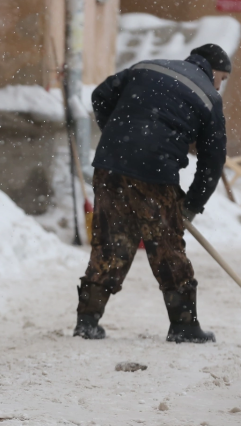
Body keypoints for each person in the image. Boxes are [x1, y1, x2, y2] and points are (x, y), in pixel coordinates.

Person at [74, 43, 231, 343]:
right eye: (222, 78)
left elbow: (100, 95)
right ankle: (184, 325)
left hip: (110, 164)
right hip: (155, 171)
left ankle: (87, 321)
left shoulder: (148, 67)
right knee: (167, 247)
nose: (220, 86)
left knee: (110, 243)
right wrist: (192, 206)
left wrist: (117, 134)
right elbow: (213, 162)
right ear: (213, 71)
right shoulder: (209, 98)